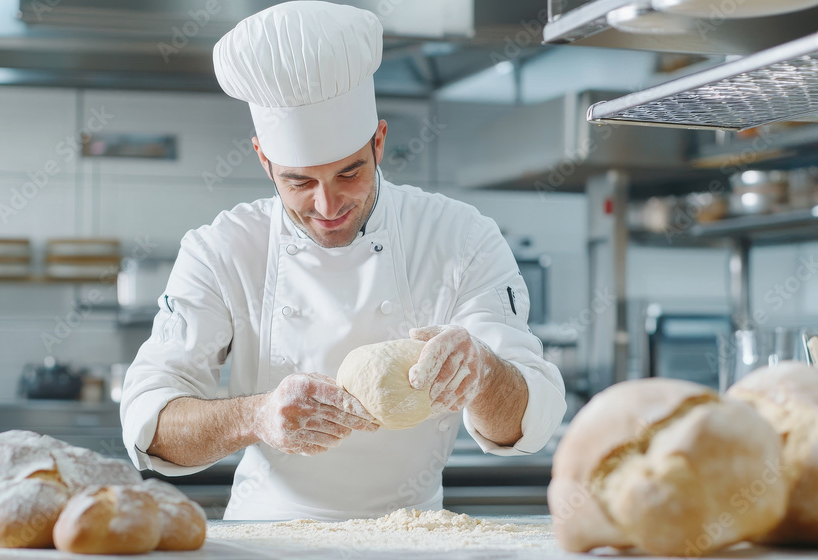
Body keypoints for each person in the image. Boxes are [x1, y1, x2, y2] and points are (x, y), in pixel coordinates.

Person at [121, 1, 566, 521]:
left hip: (416, 537)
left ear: (378, 143)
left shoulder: (461, 237)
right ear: (264, 160)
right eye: (299, 182)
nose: (327, 206)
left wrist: (485, 373)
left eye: (349, 174)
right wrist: (256, 416)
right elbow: (149, 423)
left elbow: (527, 423)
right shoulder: (222, 249)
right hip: (268, 538)